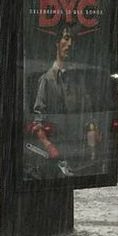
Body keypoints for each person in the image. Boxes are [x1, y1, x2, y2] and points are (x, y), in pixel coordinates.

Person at [27, 22, 102, 177]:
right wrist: (49, 146)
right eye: (66, 38)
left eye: (72, 39)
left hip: (77, 157)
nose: (70, 44)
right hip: (56, 161)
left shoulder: (78, 81)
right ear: (57, 42)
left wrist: (92, 140)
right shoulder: (47, 80)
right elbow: (37, 122)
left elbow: (88, 117)